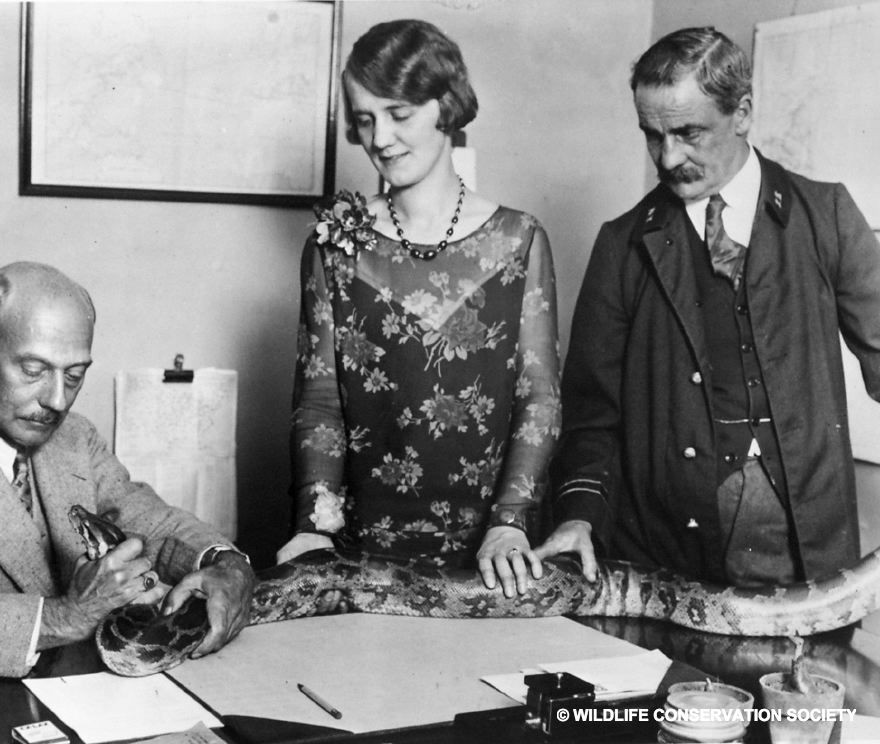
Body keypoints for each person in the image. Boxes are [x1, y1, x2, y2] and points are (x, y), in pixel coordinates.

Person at [535, 27, 880, 587]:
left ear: (741, 112)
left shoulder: (827, 215)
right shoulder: (622, 244)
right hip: (665, 553)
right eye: (653, 135)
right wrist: (578, 514)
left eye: (689, 133)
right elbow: (590, 414)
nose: (669, 158)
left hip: (806, 554)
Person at [0, 262, 255, 676]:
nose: (58, 401)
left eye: (75, 375)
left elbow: (147, 518)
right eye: (34, 371)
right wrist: (63, 617)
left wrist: (228, 562)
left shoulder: (76, 438)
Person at [276, 19, 561, 598]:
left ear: (446, 107)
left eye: (398, 113)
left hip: (490, 559)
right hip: (359, 555)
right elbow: (320, 402)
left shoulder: (519, 239)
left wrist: (510, 523)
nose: (379, 138)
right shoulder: (332, 246)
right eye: (364, 118)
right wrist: (313, 526)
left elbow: (540, 396)